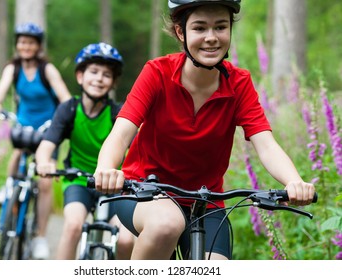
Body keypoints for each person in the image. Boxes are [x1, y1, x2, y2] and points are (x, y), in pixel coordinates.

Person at [92, 0, 316, 260]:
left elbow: (266, 144)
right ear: (180, 32)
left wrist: (294, 181)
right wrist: (106, 168)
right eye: (199, 28)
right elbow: (121, 133)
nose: (211, 38)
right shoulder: (157, 73)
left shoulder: (239, 83)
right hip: (142, 192)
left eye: (220, 27)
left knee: (216, 266)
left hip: (204, 202)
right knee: (167, 224)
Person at [35, 42, 135, 260]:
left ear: (113, 82)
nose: (99, 79)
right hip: (78, 180)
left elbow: (138, 150)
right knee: (73, 226)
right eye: (94, 72)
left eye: (106, 75)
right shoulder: (69, 109)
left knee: (126, 238)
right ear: (80, 77)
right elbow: (47, 145)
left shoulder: (119, 113)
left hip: (115, 185)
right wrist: (44, 162)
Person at [0, 22, 72, 259]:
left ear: (38, 46)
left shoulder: (48, 70)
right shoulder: (12, 69)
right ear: (17, 44)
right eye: (22, 42)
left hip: (47, 129)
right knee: (16, 155)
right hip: (24, 124)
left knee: (45, 181)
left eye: (31, 42)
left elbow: (65, 99)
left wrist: (63, 118)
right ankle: (9, 188)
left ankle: (41, 238)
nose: (26, 46)